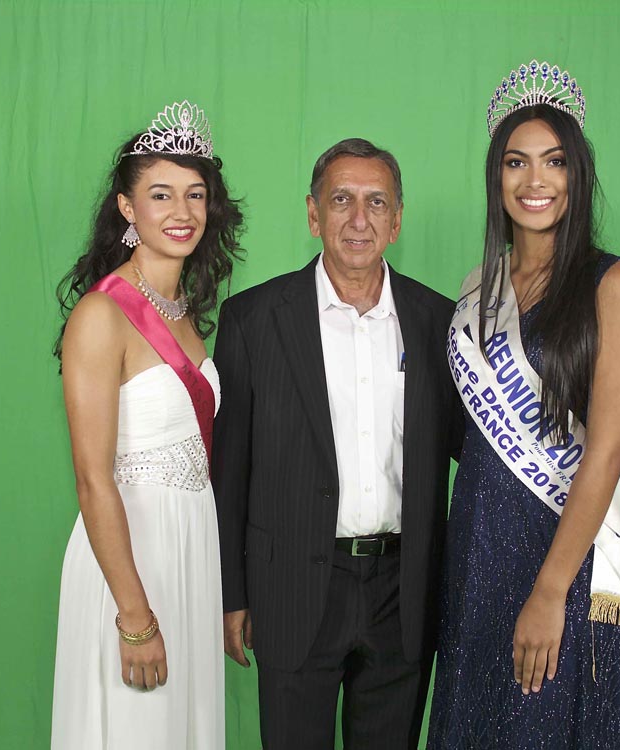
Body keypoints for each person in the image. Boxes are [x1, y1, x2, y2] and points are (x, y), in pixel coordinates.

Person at [428, 61, 620, 749]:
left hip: (561, 549)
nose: (535, 181)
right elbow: (473, 433)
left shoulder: (613, 283)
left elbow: (608, 449)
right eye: (516, 162)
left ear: (576, 174)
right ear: (496, 177)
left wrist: (549, 591)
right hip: (476, 540)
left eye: (554, 162)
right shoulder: (481, 286)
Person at [211, 138, 462, 750]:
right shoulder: (253, 319)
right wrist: (231, 594)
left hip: (402, 592)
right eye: (341, 199)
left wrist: (581, 461)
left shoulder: (439, 322)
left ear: (397, 220)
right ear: (312, 213)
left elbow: (476, 446)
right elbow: (229, 469)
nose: (358, 219)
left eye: (376, 202)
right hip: (292, 585)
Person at [50, 100, 244, 750]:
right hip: (130, 556)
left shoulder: (186, 313)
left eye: (195, 195)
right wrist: (133, 616)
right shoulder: (102, 316)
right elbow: (91, 477)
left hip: (192, 547)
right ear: (128, 209)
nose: (182, 212)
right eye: (160, 194)